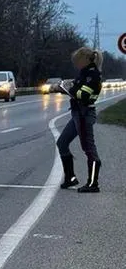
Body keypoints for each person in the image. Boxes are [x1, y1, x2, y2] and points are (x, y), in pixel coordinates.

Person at [55, 47, 103, 193]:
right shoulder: (84, 73)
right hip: (77, 113)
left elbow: (84, 95)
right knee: (62, 142)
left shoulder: (92, 75)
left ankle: (93, 183)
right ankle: (70, 178)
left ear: (84, 60)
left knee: (89, 149)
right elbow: (77, 89)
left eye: (77, 61)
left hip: (84, 114)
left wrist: (71, 89)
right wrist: (66, 88)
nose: (75, 64)